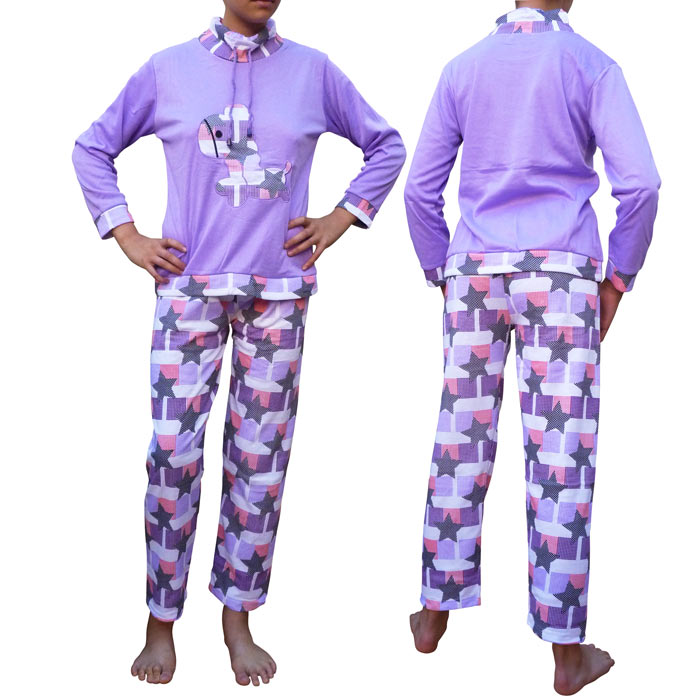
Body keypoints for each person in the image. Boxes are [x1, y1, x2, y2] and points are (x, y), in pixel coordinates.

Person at [72, 0, 405, 686]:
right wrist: (125, 233)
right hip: (188, 290)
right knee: (173, 455)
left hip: (277, 294)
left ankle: (238, 614)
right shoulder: (168, 70)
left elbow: (387, 145)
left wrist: (341, 218)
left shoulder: (313, 72)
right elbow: (91, 148)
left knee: (259, 462)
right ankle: (161, 618)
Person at [403, 1, 659, 695]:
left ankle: (433, 613)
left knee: (460, 441)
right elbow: (641, 184)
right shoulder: (591, 66)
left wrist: (441, 271)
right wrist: (619, 279)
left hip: (474, 272)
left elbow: (420, 191)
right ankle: (567, 654)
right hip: (561, 275)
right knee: (561, 456)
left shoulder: (462, 68)